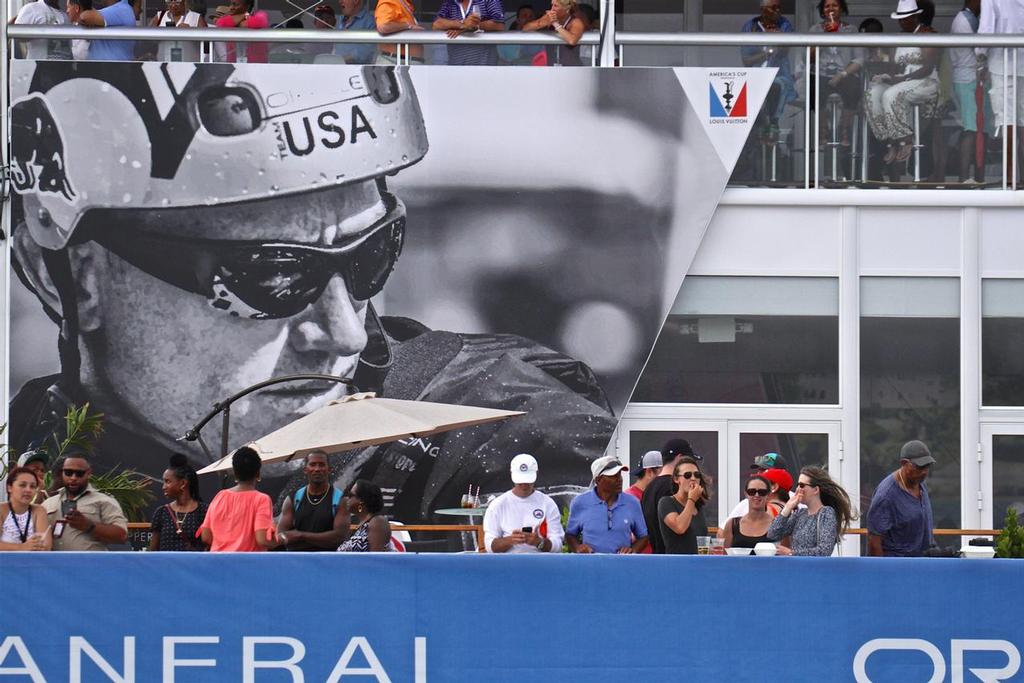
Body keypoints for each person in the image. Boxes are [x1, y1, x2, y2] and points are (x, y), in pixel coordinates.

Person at [8, 62, 616, 527]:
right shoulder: (25, 445)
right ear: (70, 276)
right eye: (272, 276)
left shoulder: (488, 420)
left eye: (373, 253)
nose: (346, 333)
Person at [864, 0, 940, 167]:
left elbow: (927, 68)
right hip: (901, 82)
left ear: (915, 16)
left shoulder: (928, 34)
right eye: (900, 18)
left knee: (891, 94)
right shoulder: (898, 37)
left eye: (906, 18)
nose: (902, 21)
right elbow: (893, 68)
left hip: (924, 82)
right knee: (873, 93)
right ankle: (889, 141)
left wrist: (902, 79)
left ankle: (905, 140)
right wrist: (885, 76)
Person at [977, 0, 1024, 185]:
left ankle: (1010, 178)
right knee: (1021, 123)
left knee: (1008, 121)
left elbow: (986, 30)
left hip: (1002, 64)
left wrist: (980, 59)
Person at [42, 454, 128, 550]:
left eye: (79, 473)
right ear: (62, 472)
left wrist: (89, 526)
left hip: (91, 563)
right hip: (55, 563)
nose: (73, 478)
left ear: (88, 473)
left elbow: (121, 535)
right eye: (68, 472)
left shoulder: (104, 501)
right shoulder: (48, 503)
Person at [199, 446, 278, 551]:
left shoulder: (220, 496)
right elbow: (263, 540)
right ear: (258, 473)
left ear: (235, 473)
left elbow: (206, 537)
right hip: (247, 565)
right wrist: (281, 538)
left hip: (218, 564)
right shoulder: (262, 499)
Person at [566, 455, 648, 554]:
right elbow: (570, 535)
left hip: (621, 565)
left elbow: (643, 536)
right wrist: (578, 548)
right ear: (598, 480)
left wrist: (633, 550)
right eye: (613, 476)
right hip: (590, 565)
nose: (619, 479)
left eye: (620, 474)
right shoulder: (580, 502)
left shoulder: (632, 503)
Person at [866, 440, 936, 556]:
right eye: (920, 467)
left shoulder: (920, 482)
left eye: (927, 466)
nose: (924, 472)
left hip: (923, 562)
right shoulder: (886, 496)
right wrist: (880, 572)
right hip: (897, 565)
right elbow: (874, 542)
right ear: (904, 463)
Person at [483, 453, 564, 553]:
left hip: (541, 564)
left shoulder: (548, 504)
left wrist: (539, 542)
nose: (524, 485)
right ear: (511, 474)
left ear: (537, 474)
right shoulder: (497, 505)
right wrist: (510, 540)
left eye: (528, 480)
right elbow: (490, 546)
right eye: (520, 481)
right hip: (508, 564)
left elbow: (558, 544)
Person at [809, 0, 864, 148]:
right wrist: (826, 37)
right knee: (813, 88)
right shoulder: (815, 29)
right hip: (821, 73)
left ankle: (844, 129)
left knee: (853, 88)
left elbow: (859, 59)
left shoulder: (850, 29)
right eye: (827, 6)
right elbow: (809, 58)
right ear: (822, 10)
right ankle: (823, 129)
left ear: (841, 9)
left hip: (844, 74)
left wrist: (842, 75)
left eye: (835, 5)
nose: (831, 8)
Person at [767, 466, 855, 556]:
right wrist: (787, 508)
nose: (797, 490)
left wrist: (791, 553)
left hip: (815, 569)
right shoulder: (799, 514)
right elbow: (772, 534)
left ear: (815, 490)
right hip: (796, 568)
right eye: (797, 485)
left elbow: (825, 550)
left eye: (802, 485)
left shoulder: (826, 513)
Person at [740, 0, 797, 133]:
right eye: (774, 8)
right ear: (763, 10)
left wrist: (778, 36)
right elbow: (746, 61)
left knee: (776, 86)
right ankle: (759, 125)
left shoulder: (784, 24)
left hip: (779, 75)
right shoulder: (750, 26)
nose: (778, 10)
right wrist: (767, 52)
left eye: (779, 7)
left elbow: (785, 50)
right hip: (754, 76)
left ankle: (773, 122)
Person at [949, 0, 990, 183]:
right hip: (968, 80)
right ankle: (964, 179)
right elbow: (979, 51)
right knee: (971, 129)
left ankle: (977, 178)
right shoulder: (965, 20)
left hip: (971, 79)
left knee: (978, 128)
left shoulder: (969, 18)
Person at [277, 451, 350, 551]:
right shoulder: (293, 498)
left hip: (328, 561)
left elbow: (339, 537)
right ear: (305, 470)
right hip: (297, 561)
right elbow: (281, 535)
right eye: (312, 465)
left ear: (329, 469)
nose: (317, 469)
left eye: (321, 465)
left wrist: (301, 536)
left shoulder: (340, 499)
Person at [641, 438, 695, 554]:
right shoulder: (672, 487)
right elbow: (679, 527)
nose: (693, 476)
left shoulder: (648, 488)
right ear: (679, 458)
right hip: (673, 558)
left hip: (656, 556)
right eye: (689, 462)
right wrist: (691, 499)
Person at [148, 453, 207, 551]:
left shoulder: (204, 511)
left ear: (183, 483)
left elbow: (208, 547)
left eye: (168, 482)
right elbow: (153, 550)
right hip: (166, 565)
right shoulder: (161, 512)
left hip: (193, 566)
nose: (163, 487)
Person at [657, 456, 709, 555]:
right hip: (677, 565)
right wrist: (692, 499)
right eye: (687, 475)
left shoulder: (698, 506)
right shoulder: (666, 502)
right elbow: (680, 527)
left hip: (697, 564)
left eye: (697, 475)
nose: (693, 478)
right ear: (677, 479)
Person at [432, 0, 505, 66]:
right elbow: (436, 25)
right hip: (456, 65)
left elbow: (499, 25)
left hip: (484, 65)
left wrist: (473, 26)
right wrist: (462, 24)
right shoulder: (450, 2)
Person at [0, 467, 52, 551]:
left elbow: (45, 547)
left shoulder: (39, 511)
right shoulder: (1, 509)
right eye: (22, 485)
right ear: (9, 487)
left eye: (33, 486)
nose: (28, 490)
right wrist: (22, 547)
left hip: (32, 563)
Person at [521, 0, 585, 66]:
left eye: (556, 6)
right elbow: (525, 28)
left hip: (572, 68)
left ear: (566, 9)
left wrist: (555, 24)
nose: (552, 9)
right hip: (552, 67)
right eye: (552, 5)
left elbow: (572, 40)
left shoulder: (576, 22)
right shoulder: (549, 17)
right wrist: (542, 23)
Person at [727, 452, 788, 520]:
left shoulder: (796, 500)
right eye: (758, 470)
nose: (759, 474)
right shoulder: (747, 502)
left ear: (781, 474)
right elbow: (722, 529)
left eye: (764, 471)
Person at [337, 479, 391, 552]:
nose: (347, 499)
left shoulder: (377, 522)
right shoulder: (360, 525)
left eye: (350, 495)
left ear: (362, 499)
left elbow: (376, 558)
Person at [722, 474, 773, 549]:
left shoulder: (776, 525)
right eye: (752, 491)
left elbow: (785, 556)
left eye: (762, 492)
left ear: (768, 495)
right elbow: (725, 557)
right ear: (746, 494)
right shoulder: (732, 524)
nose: (756, 495)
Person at [375, 0, 424, 65]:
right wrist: (408, 26)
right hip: (393, 61)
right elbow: (383, 26)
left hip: (403, 61)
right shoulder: (389, 1)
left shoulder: (403, 3)